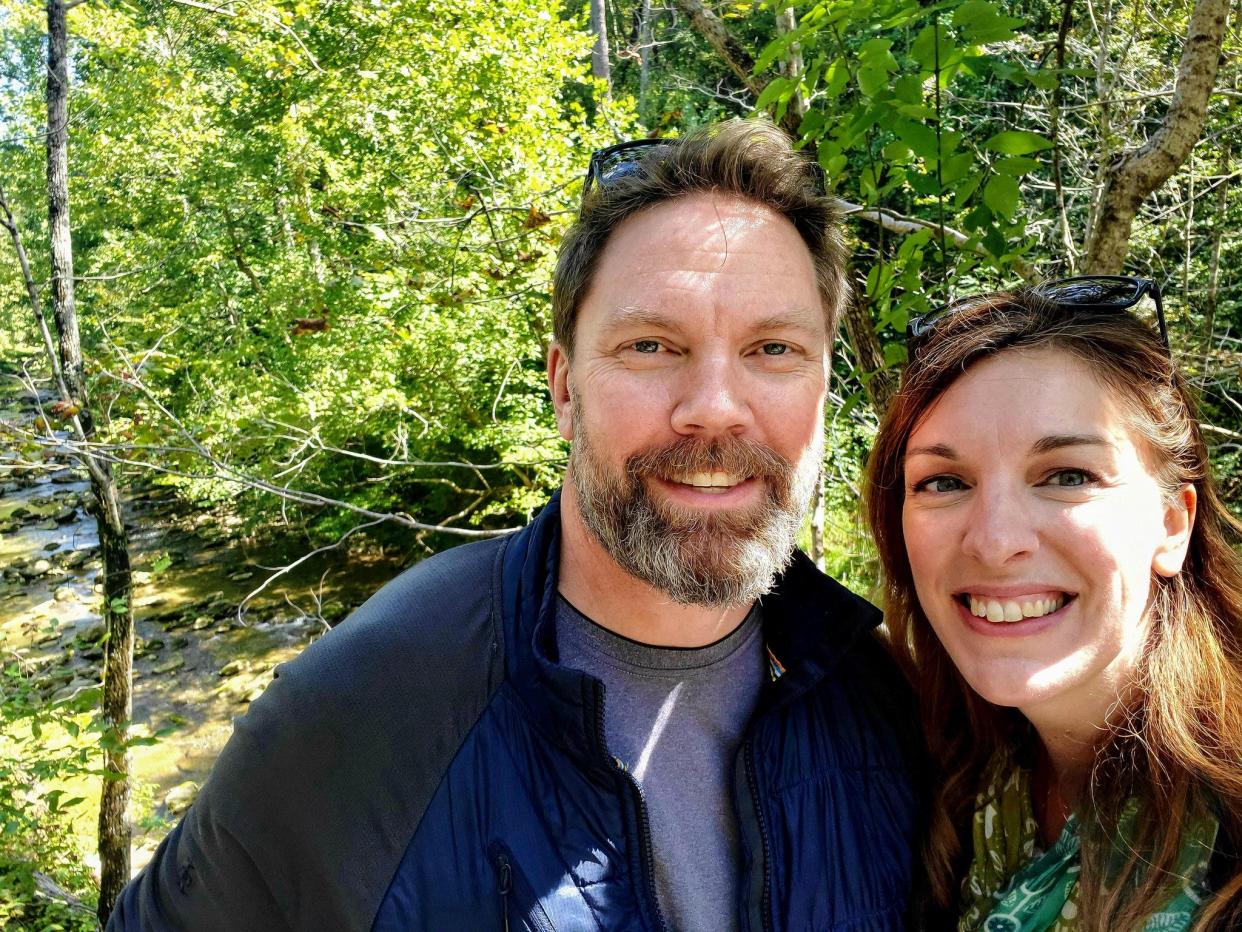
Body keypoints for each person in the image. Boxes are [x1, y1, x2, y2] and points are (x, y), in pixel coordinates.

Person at [107, 119, 922, 932]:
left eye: (774, 349)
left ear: (823, 389)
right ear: (565, 388)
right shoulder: (371, 704)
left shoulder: (880, 692)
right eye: (651, 345)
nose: (714, 405)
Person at [865, 280, 1242, 931]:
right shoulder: (924, 774)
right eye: (945, 481)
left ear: (1172, 524)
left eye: (1068, 475)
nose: (995, 540)